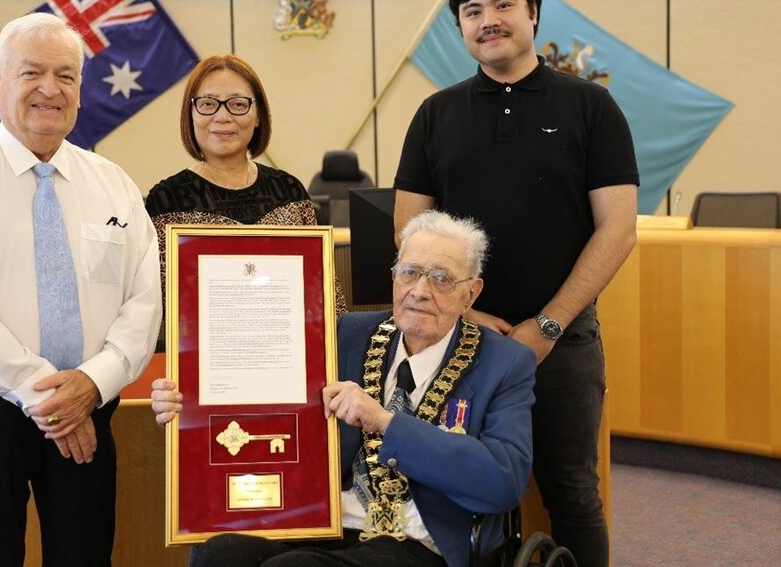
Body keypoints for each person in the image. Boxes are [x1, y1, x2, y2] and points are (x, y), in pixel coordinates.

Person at [393, 0, 639, 567]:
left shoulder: (591, 107)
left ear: (532, 13)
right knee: (458, 488)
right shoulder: (435, 114)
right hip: (457, 338)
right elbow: (410, 229)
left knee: (573, 493)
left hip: (564, 341)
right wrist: (466, 319)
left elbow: (619, 229)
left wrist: (546, 326)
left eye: (503, 4)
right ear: (462, 28)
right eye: (472, 11)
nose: (488, 20)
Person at [0, 12, 162, 566]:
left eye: (66, 75)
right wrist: (47, 396)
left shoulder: (113, 184)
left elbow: (143, 302)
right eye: (31, 72)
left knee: (84, 554)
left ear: (81, 91)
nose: (49, 89)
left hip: (88, 401)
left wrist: (92, 383)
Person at [152, 210, 535, 567]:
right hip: (328, 521)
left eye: (441, 278)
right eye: (409, 272)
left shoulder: (504, 363)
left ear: (471, 293)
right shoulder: (348, 332)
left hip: (420, 539)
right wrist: (190, 404)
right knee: (220, 554)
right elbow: (265, 398)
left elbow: (503, 481)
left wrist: (386, 422)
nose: (419, 290)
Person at [144, 53, 346, 316]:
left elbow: (325, 294)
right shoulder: (166, 200)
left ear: (259, 115)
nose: (223, 116)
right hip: (205, 352)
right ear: (190, 114)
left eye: (238, 104)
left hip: (287, 347)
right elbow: (157, 305)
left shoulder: (289, 191)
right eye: (207, 104)